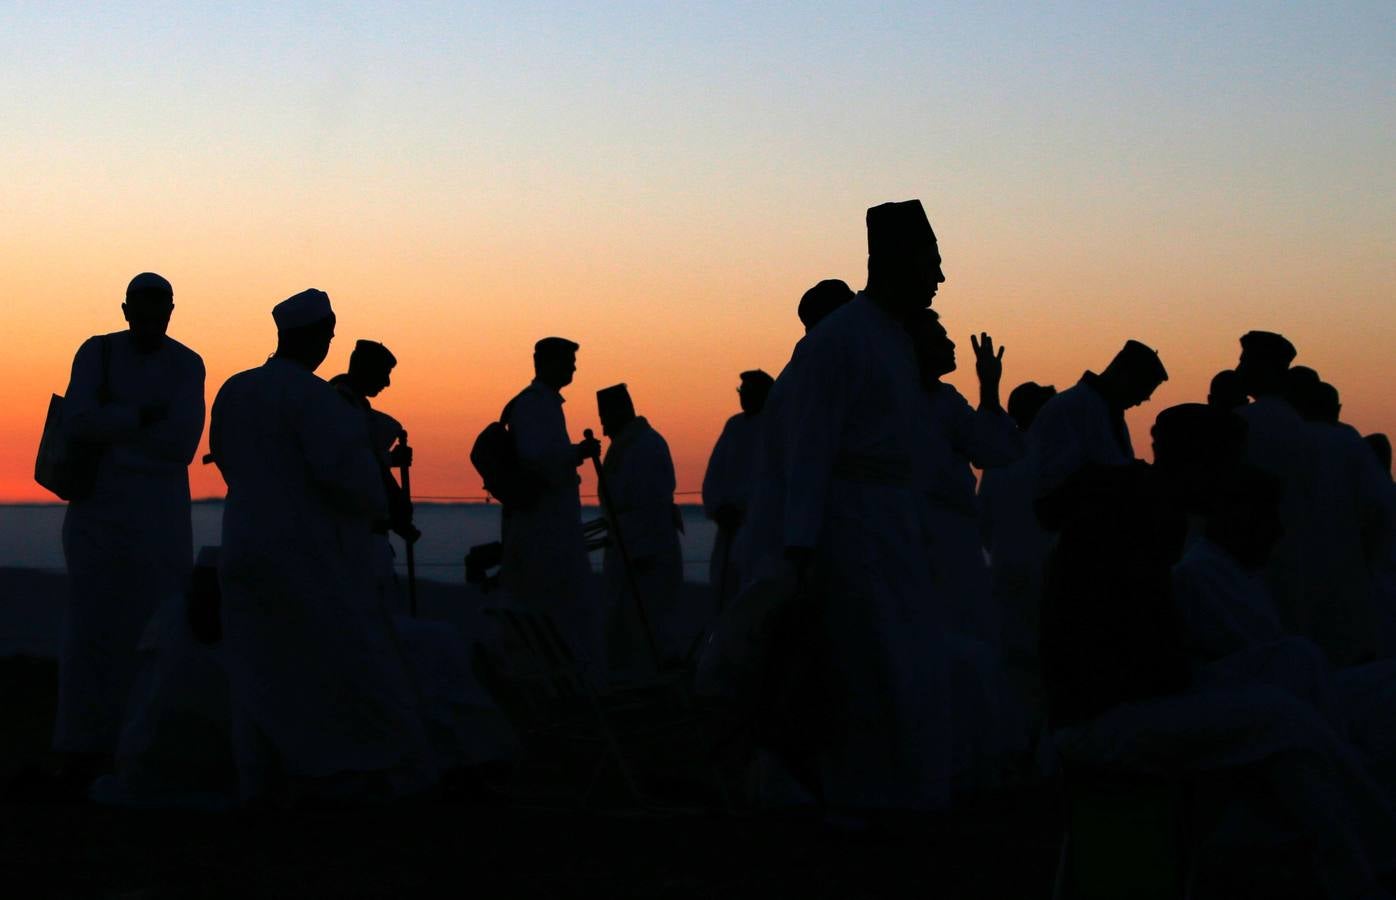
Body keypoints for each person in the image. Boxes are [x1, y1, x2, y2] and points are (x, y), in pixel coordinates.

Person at [744, 199, 951, 811]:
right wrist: (801, 548)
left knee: (904, 664)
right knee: (867, 669)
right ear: (895, 263)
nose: (939, 278)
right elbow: (808, 452)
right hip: (850, 535)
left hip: (892, 529)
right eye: (931, 262)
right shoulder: (841, 341)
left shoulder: (891, 341)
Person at [211, 289, 435, 805]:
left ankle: (261, 782)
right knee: (326, 665)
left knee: (256, 670)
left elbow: (225, 459)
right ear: (317, 336)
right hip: (306, 556)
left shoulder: (236, 389)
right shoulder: (314, 399)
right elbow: (351, 483)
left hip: (242, 546)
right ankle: (335, 777)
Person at [54, 272, 205, 783]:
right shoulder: (96, 354)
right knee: (90, 628)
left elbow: (181, 443)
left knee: (158, 623)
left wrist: (113, 427)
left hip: (159, 522)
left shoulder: (187, 364)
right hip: (99, 517)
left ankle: (149, 738)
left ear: (171, 309)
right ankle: (81, 745)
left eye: (158, 307)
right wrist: (142, 417)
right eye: (141, 307)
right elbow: (76, 421)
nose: (149, 317)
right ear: (125, 310)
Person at [498, 337, 602, 663]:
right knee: (545, 607)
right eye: (568, 360)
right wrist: (577, 454)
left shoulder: (544, 405)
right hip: (541, 529)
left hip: (551, 528)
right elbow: (535, 459)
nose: (573, 367)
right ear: (546, 363)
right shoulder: (533, 405)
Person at [596, 384, 685, 670]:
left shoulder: (646, 446)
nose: (603, 427)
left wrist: (642, 551)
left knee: (652, 623)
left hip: (646, 555)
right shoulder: (626, 445)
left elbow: (652, 505)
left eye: (606, 419)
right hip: (624, 553)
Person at [329, 340, 418, 610]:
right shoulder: (341, 405)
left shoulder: (352, 406)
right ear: (365, 369)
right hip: (357, 537)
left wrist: (389, 459)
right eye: (384, 373)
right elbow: (352, 461)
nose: (388, 383)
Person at [1030, 339, 1168, 497]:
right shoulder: (1073, 407)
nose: (1138, 402)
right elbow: (1058, 475)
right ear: (1124, 376)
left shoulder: (1108, 412)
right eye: (1140, 393)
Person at [701, 369, 774, 608]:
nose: (743, 396)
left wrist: (744, 509)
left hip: (758, 527)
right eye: (741, 391)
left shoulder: (775, 427)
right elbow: (714, 473)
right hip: (727, 528)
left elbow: (769, 478)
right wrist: (718, 507)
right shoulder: (733, 426)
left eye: (748, 391)